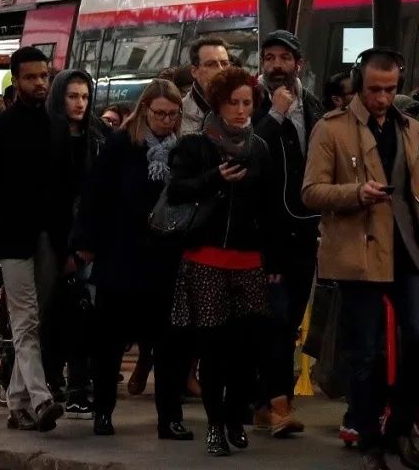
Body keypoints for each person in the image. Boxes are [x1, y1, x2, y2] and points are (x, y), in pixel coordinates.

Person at [302, 49, 419, 470]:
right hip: (360, 251)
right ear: (357, 84)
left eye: (391, 90)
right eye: (374, 90)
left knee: (416, 338)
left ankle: (398, 427)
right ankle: (370, 440)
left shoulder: (412, 129)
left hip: (408, 250)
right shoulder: (330, 129)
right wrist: (354, 193)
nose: (383, 98)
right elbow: (311, 191)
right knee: (364, 352)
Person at [167, 66, 278, 457]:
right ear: (218, 103)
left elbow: (270, 209)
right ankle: (215, 425)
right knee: (213, 348)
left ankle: (234, 417)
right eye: (234, 103)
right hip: (206, 257)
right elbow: (176, 190)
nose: (241, 111)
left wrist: (273, 260)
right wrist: (214, 177)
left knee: (248, 350)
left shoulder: (260, 148)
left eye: (247, 103)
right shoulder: (196, 145)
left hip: (249, 260)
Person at [73, 79, 192, 439]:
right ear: (144, 111)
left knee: (169, 343)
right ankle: (104, 412)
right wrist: (86, 244)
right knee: (109, 344)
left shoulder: (183, 150)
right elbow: (95, 194)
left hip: (165, 259)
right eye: (159, 114)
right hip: (121, 256)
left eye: (172, 115)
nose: (165, 121)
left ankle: (169, 418)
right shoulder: (121, 144)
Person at [0, 46, 68, 432]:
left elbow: (64, 190)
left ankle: (17, 401)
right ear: (16, 80)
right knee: (25, 319)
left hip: (50, 238)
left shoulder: (58, 127)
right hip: (12, 238)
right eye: (31, 77)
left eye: (44, 76)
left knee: (37, 319)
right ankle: (42, 398)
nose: (40, 83)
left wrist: (71, 244)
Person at [251, 30, 322, 437]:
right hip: (265, 233)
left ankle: (264, 403)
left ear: (299, 63)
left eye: (284, 58)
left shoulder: (311, 106)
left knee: (290, 319)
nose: (276, 65)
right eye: (269, 57)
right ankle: (280, 405)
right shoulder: (252, 101)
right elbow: (249, 149)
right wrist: (275, 115)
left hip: (304, 229)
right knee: (275, 321)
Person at [48, 68, 110, 419]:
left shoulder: (99, 136)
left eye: (85, 97)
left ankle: (79, 388)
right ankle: (50, 381)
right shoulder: (45, 136)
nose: (80, 103)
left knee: (85, 312)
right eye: (73, 96)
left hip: (86, 241)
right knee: (52, 314)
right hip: (50, 241)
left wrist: (85, 244)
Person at [181, 38, 232, 134]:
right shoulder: (180, 113)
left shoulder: (242, 104)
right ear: (194, 71)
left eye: (225, 64)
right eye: (211, 64)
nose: (221, 70)